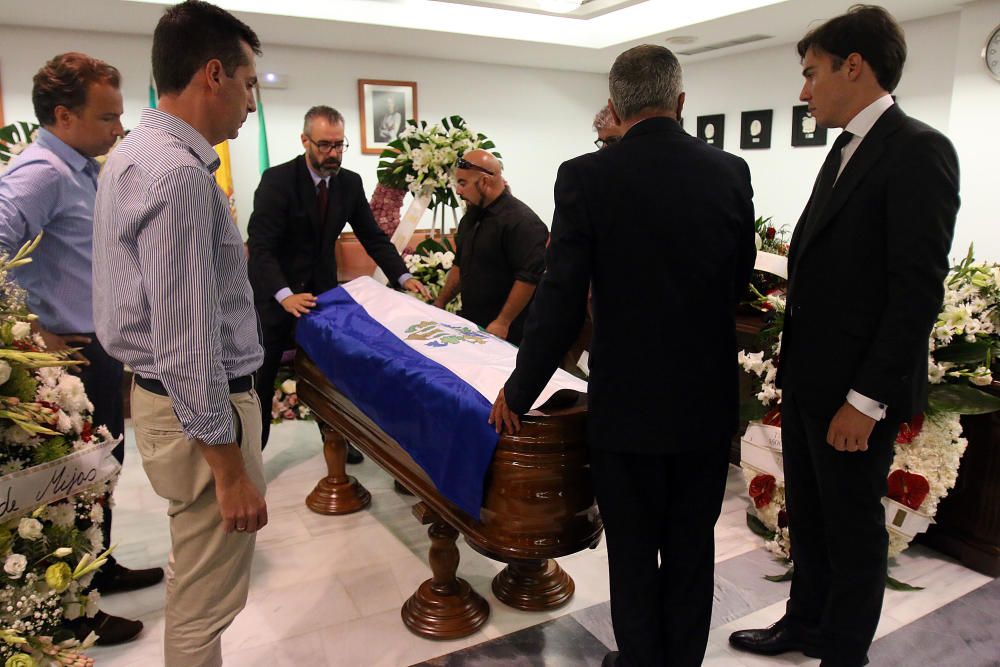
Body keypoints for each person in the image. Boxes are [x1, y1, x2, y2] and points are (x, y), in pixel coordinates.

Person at [489, 45, 756, 667]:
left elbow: (558, 298)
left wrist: (521, 389)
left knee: (632, 547)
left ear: (615, 106)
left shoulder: (586, 177)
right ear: (681, 103)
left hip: (628, 402)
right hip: (705, 400)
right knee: (692, 545)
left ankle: (639, 659)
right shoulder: (730, 171)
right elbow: (738, 277)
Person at [728, 6, 959, 667]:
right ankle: (804, 623)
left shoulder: (918, 149)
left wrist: (865, 400)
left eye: (811, 73)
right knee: (812, 515)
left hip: (854, 393)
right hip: (809, 381)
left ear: (853, 66)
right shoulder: (844, 147)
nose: (804, 91)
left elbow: (916, 290)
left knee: (855, 531)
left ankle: (843, 655)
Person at [92, 2, 270, 664]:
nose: (252, 104)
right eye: (251, 85)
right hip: (200, 408)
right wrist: (229, 469)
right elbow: (187, 340)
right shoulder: (178, 176)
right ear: (215, 75)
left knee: (195, 580)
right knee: (203, 607)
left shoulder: (136, 153)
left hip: (163, 400)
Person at [0, 51, 165, 646]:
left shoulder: (83, 168)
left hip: (97, 347)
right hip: (64, 356)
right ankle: (76, 613)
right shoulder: (42, 171)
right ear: (64, 115)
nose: (118, 129)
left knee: (100, 473)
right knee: (73, 484)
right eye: (106, 117)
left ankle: (101, 571)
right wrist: (32, 329)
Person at [247, 105, 428, 456]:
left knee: (328, 374)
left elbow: (373, 236)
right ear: (305, 141)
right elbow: (262, 248)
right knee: (263, 380)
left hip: (321, 297)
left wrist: (403, 276)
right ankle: (253, 454)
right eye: (325, 145)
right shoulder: (278, 181)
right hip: (275, 300)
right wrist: (284, 295)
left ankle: (337, 442)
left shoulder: (349, 183)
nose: (333, 154)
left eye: (339, 145)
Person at [432, 150, 548, 346]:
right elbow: (460, 265)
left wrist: (503, 322)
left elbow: (527, 279)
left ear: (484, 181)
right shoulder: (470, 218)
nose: (458, 191)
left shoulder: (523, 222)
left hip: (512, 331)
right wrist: (440, 303)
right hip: (473, 324)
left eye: (463, 183)